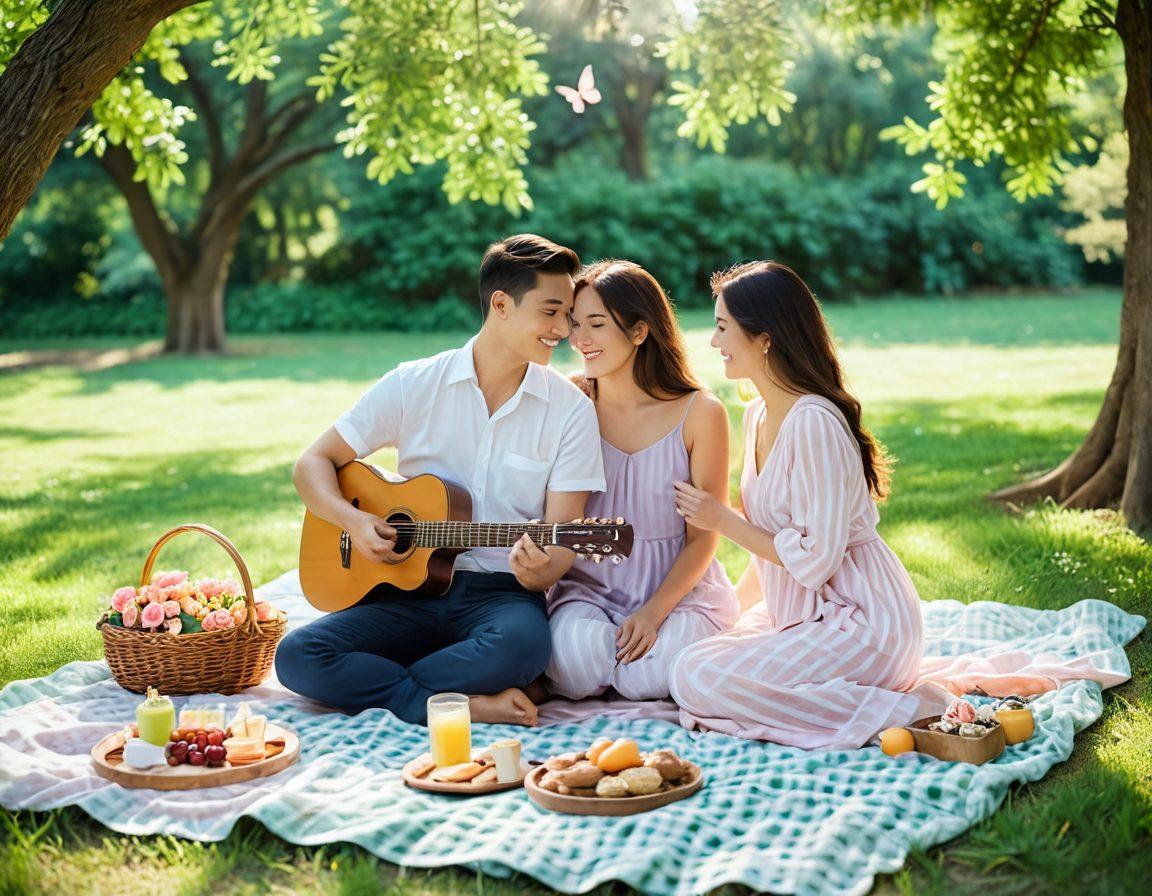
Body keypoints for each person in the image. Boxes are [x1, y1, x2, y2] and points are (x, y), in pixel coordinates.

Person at [275, 234, 606, 727]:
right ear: (501, 305)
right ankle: (460, 701)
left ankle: (386, 684)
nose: (565, 330)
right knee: (298, 655)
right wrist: (354, 521)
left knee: (525, 648)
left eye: (569, 315)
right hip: (404, 593)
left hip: (502, 595)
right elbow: (313, 463)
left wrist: (543, 570)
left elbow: (561, 540)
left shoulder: (571, 412)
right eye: (552, 312)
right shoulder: (414, 384)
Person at [669, 261, 946, 750]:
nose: (714, 342)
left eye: (721, 327)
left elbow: (816, 558)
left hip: (863, 622)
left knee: (695, 677)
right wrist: (737, 608)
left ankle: (909, 710)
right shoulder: (757, 413)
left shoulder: (814, 422)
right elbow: (774, 538)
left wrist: (721, 520)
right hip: (800, 613)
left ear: (765, 338)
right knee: (693, 659)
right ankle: (829, 703)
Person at [545, 260, 739, 701]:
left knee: (660, 672)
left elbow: (703, 538)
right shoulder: (571, 399)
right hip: (589, 590)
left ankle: (631, 671)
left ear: (638, 331)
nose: (579, 340)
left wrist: (653, 614)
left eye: (596, 324)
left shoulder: (701, 413)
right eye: (575, 324)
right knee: (573, 663)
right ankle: (606, 666)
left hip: (676, 592)